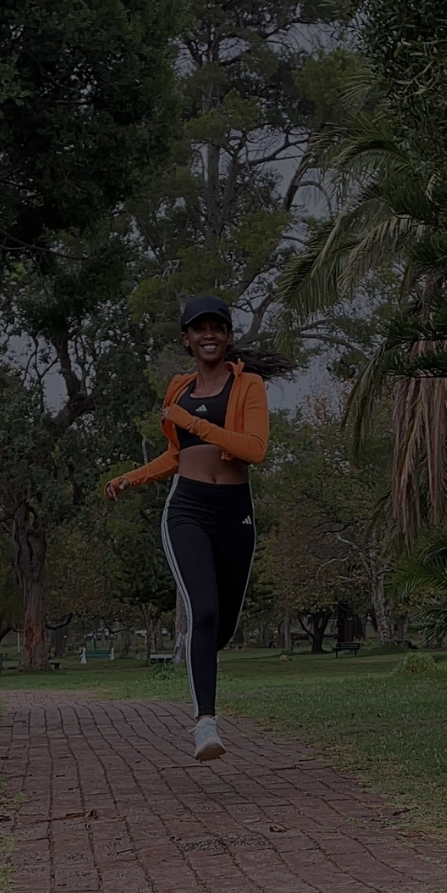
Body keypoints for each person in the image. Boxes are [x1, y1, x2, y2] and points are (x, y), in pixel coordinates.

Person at [104, 295, 290, 761]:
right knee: (202, 612)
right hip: (186, 508)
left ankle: (201, 651)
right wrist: (133, 477)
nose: (208, 334)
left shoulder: (247, 387)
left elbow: (253, 448)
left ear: (227, 337)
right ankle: (205, 723)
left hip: (234, 511)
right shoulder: (178, 391)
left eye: (217, 327)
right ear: (186, 339)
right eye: (198, 328)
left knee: (222, 626)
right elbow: (177, 455)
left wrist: (193, 423)